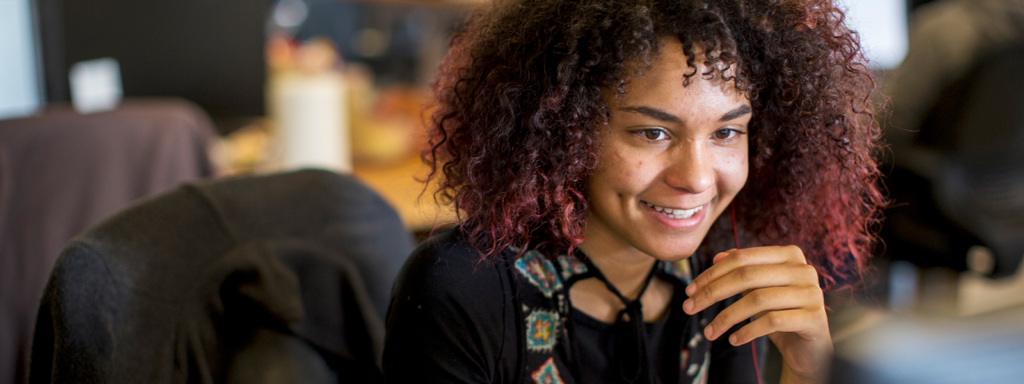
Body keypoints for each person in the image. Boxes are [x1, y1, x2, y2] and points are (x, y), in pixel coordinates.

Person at [383, 0, 884, 383]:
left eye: (726, 132)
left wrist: (807, 369)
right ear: (567, 130)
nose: (698, 178)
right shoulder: (461, 291)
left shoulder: (728, 273)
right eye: (653, 132)